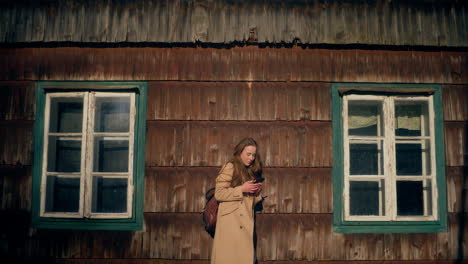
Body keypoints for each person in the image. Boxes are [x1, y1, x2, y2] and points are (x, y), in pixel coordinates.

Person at [211, 137, 265, 264]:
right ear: (240, 152)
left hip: (245, 222)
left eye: (253, 155)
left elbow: (248, 201)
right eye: (248, 154)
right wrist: (242, 189)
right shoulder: (230, 167)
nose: (251, 158)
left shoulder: (250, 170)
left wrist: (256, 193)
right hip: (230, 224)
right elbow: (219, 194)